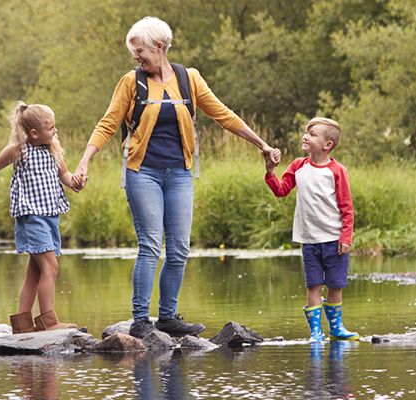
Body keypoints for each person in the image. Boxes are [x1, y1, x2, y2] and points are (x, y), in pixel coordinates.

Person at [73, 16, 281, 339]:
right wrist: (85, 160)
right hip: (143, 173)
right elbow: (108, 123)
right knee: (151, 244)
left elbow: (223, 115)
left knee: (180, 248)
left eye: (140, 50)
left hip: (180, 174)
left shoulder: (189, 79)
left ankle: (168, 316)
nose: (136, 58)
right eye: (133, 53)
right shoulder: (132, 82)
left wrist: (262, 144)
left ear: (160, 46)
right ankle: (141, 319)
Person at [0, 101, 81, 333]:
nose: (55, 131)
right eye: (51, 128)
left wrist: (75, 182)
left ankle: (22, 324)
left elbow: (64, 174)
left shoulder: (53, 148)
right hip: (31, 216)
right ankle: (48, 320)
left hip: (50, 215)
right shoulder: (18, 150)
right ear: (34, 133)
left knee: (35, 271)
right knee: (51, 267)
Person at [263, 117, 359, 342]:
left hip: (334, 240)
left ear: (328, 145)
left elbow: (347, 207)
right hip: (309, 240)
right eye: (306, 132)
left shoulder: (337, 171)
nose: (305, 136)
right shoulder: (298, 166)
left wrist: (346, 237)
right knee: (313, 284)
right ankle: (316, 332)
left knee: (335, 284)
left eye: (313, 134)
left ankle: (336, 328)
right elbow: (281, 190)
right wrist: (270, 172)